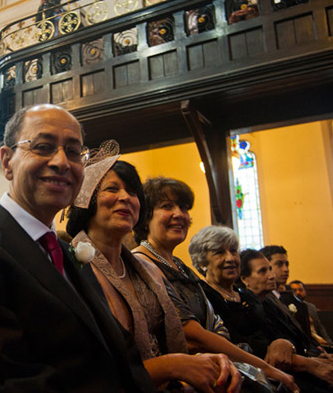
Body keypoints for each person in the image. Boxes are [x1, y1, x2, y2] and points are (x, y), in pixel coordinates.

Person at [0, 105, 156, 391]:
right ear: (7, 161)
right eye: (43, 147)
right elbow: (12, 378)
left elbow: (119, 349)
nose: (61, 162)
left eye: (73, 152)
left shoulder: (66, 250)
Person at [65, 142, 241, 392]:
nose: (125, 197)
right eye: (112, 189)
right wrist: (173, 366)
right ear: (87, 200)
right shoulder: (73, 266)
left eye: (133, 192)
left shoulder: (146, 271)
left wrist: (196, 363)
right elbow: (85, 367)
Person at [131, 177, 297, 390]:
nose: (179, 214)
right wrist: (267, 368)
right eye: (167, 206)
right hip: (186, 377)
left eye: (183, 207)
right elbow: (191, 334)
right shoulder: (142, 262)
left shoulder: (180, 265)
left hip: (218, 364)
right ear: (145, 217)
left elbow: (215, 322)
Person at [239, 250, 333, 390]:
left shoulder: (271, 303)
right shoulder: (247, 309)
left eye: (270, 269)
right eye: (263, 271)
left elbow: (297, 340)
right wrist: (315, 364)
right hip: (283, 377)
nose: (271, 276)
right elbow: (271, 357)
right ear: (245, 279)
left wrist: (320, 357)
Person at [289, 280, 332, 345]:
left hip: (319, 342)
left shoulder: (311, 307)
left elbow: (319, 327)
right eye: (294, 290)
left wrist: (329, 342)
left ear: (305, 292)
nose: (298, 292)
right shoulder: (289, 307)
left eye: (300, 290)